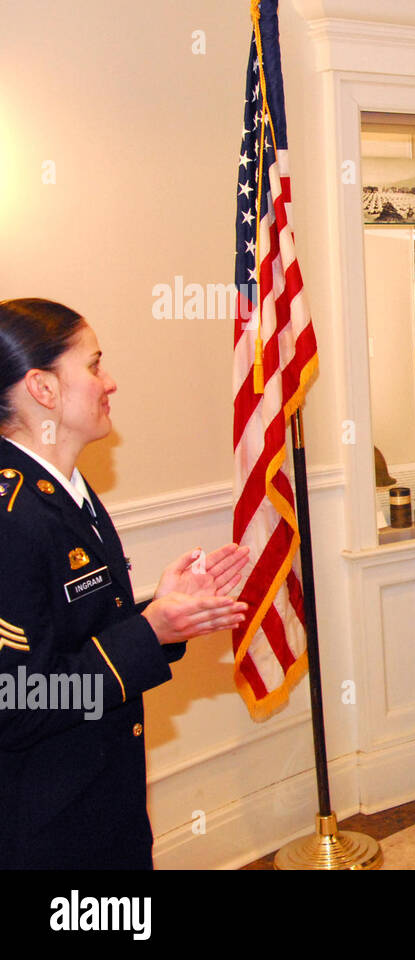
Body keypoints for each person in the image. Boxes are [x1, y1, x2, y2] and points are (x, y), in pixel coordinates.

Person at [0, 297, 250, 869]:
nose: (109, 381)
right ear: (42, 388)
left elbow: (74, 635)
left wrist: (164, 613)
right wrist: (147, 634)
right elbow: (18, 700)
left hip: (101, 804)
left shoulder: (65, 490)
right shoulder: (11, 515)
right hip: (46, 832)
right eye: (93, 365)